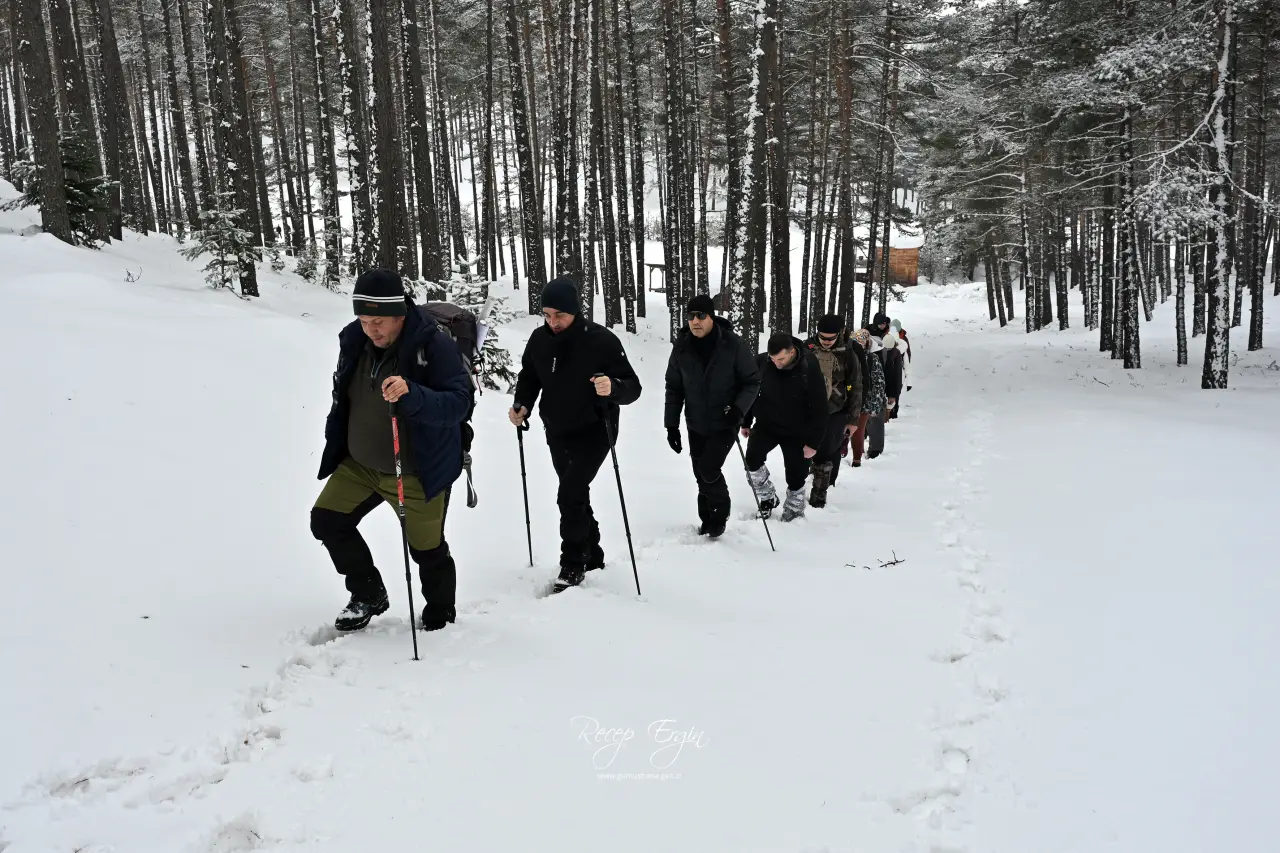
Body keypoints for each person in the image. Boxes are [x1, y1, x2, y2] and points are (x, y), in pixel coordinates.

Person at [311, 269, 473, 632]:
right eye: (364, 320)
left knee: (426, 551)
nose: (372, 329)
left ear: (400, 314)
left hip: (417, 469)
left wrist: (413, 395)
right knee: (327, 520)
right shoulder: (354, 340)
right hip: (360, 464)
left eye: (379, 321)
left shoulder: (434, 347)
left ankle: (441, 613)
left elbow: (460, 403)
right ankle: (368, 593)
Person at [509, 277, 642, 591]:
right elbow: (529, 376)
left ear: (575, 312)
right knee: (575, 495)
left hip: (596, 429)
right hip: (556, 429)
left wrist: (613, 387)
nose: (552, 322)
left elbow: (632, 387)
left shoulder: (601, 340)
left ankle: (572, 564)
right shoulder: (539, 340)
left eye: (559, 315)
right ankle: (592, 552)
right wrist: (522, 404)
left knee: (569, 493)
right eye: (547, 315)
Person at [664, 294, 761, 538]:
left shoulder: (732, 344)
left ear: (712, 317)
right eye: (691, 316)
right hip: (695, 421)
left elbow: (752, 382)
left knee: (708, 468)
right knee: (700, 471)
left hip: (725, 421)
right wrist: (671, 426)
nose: (695, 321)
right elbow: (674, 387)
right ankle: (706, 516)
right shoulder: (681, 347)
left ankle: (720, 512)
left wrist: (738, 409)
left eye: (701, 315)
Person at [740, 331, 828, 522]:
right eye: (773, 359)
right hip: (767, 425)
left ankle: (794, 511)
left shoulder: (809, 365)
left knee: (796, 475)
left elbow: (820, 407)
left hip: (798, 430)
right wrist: (746, 421)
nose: (776, 364)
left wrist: (813, 442)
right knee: (752, 461)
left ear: (791, 352)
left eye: (780, 359)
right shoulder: (762, 362)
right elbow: (751, 392)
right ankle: (767, 497)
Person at [804, 314, 863, 507]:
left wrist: (853, 419)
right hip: (807, 410)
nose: (826, 341)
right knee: (803, 450)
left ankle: (819, 495)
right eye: (822, 337)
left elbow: (856, 386)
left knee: (827, 453)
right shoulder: (806, 348)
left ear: (840, 333)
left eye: (830, 338)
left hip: (836, 410)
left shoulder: (849, 353)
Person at [849, 329, 887, 466]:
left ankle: (856, 459)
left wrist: (875, 403)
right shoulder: (846, 356)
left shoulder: (871, 358)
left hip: (864, 401)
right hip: (846, 400)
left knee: (857, 430)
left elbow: (879, 382)